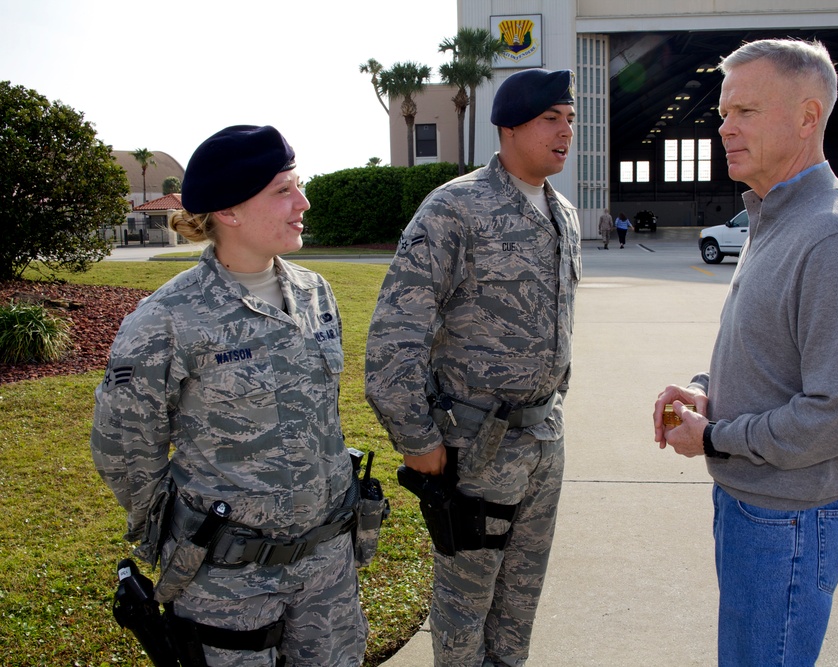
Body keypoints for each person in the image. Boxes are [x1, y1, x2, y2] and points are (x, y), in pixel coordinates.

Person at [653, 39, 838, 666]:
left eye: (746, 113)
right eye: (724, 114)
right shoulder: (773, 217)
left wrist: (713, 437)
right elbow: (774, 355)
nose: (726, 129)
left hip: (787, 521)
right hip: (752, 504)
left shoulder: (834, 234)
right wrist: (707, 392)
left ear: (809, 116)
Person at [91, 125, 368, 666]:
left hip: (328, 568)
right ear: (229, 211)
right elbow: (123, 449)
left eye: (298, 184)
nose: (303, 202)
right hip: (228, 582)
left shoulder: (315, 293)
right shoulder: (165, 321)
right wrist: (180, 533)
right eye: (283, 191)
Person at [365, 68, 580, 667]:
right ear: (508, 126)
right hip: (474, 446)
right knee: (465, 606)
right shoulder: (456, 209)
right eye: (550, 119)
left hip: (542, 441)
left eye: (570, 119)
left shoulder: (564, 214)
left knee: (521, 599)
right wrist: (418, 440)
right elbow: (393, 338)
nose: (566, 131)